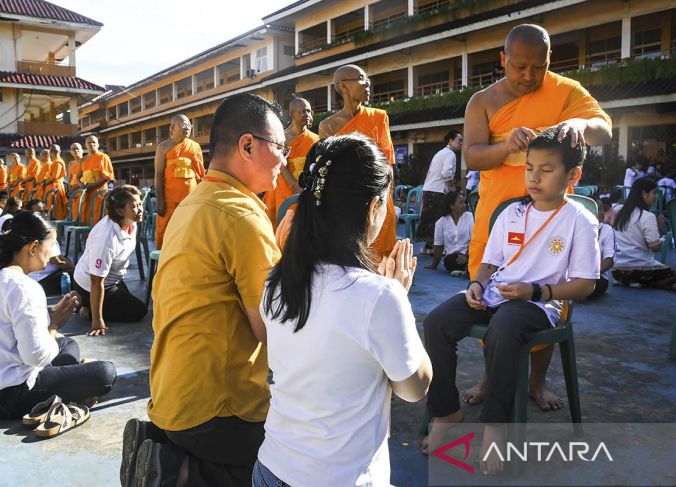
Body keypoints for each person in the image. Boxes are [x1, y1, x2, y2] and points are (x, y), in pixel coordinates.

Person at [121, 94, 283, 487]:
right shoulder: (242, 215)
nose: (285, 158)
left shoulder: (193, 204)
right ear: (247, 145)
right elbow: (272, 330)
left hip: (171, 397)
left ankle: (179, 462)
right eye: (280, 147)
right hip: (219, 413)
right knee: (314, 448)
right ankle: (191, 473)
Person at [256, 134, 431, 486]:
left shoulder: (276, 282)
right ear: (373, 208)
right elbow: (413, 387)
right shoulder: (378, 297)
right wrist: (400, 299)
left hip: (272, 468)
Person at [423, 127, 600, 475]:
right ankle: (446, 411)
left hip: (540, 303)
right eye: (529, 167)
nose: (534, 177)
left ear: (572, 175)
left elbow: (585, 284)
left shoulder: (580, 221)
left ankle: (495, 428)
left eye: (546, 170)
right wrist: (476, 283)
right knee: (437, 321)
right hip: (496, 293)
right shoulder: (512, 213)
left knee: (503, 328)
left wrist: (537, 292)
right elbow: (490, 263)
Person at [462, 23, 611, 410]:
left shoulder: (565, 92)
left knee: (543, 302)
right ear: (503, 60)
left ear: (549, 62)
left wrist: (578, 124)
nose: (529, 76)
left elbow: (604, 129)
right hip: (498, 218)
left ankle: (537, 381)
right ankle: (490, 377)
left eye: (538, 67)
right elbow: (473, 155)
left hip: (553, 221)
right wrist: (506, 147)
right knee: (488, 300)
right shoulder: (483, 100)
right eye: (519, 67)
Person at [0, 211, 117, 419]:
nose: (53, 253)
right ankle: (72, 388)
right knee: (105, 373)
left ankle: (71, 382)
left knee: (68, 345)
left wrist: (45, 321)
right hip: (3, 395)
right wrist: (53, 325)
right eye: (50, 245)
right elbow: (35, 356)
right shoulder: (25, 287)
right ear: (33, 247)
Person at [319, 64, 397, 257]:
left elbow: (387, 162)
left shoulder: (378, 117)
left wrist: (383, 199)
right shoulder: (327, 126)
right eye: (361, 79)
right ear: (343, 86)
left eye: (368, 79)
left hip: (378, 196)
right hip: (344, 197)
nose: (367, 84)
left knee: (380, 256)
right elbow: (326, 168)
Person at [72, 185, 146, 335]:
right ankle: (86, 310)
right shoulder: (106, 239)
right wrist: (97, 320)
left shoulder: (131, 222)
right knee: (139, 311)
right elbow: (96, 281)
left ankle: (83, 301)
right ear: (119, 211)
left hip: (113, 279)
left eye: (140, 204)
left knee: (124, 300)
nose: (140, 209)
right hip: (92, 283)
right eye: (134, 206)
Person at [612, 177, 676, 290]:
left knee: (658, 271)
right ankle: (662, 284)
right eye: (654, 193)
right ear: (644, 194)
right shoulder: (647, 216)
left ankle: (636, 282)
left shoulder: (617, 210)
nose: (656, 197)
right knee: (675, 274)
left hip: (617, 272)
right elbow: (655, 246)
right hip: (639, 271)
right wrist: (660, 228)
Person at [263, 97, 319, 228]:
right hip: (284, 186)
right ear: (292, 114)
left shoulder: (315, 138)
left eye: (309, 111)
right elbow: (280, 164)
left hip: (305, 189)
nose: (307, 115)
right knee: (283, 226)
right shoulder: (282, 137)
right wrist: (295, 187)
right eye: (302, 112)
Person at [154, 114, 205, 249]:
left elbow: (200, 174)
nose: (187, 128)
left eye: (189, 125)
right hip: (169, 199)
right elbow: (158, 174)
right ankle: (163, 261)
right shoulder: (163, 147)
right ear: (172, 128)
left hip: (190, 199)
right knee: (165, 231)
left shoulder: (194, 147)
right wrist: (160, 200)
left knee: (190, 232)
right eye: (183, 125)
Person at [416, 130, 463, 254]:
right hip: (437, 191)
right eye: (459, 140)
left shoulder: (440, 153)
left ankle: (428, 248)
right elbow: (446, 173)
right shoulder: (450, 154)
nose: (461, 143)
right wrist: (452, 189)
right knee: (439, 220)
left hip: (429, 189)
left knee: (430, 220)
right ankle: (436, 249)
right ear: (451, 141)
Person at [424, 191, 474, 275]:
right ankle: (466, 270)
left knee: (475, 260)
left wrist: (466, 256)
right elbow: (438, 246)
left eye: (464, 203)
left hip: (469, 255)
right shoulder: (441, 222)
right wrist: (434, 265)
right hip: (452, 258)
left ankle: (466, 268)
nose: (464, 205)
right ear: (451, 206)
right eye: (461, 203)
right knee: (449, 261)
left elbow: (474, 240)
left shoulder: (469, 216)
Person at [78, 135, 114, 225]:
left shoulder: (103, 157)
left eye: (94, 142)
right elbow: (78, 177)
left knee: (98, 218)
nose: (91, 144)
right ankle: (87, 238)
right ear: (85, 145)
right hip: (86, 193)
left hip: (99, 192)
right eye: (89, 142)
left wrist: (91, 186)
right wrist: (81, 184)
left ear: (98, 145)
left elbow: (106, 177)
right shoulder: (83, 160)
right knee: (86, 218)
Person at [587, 201, 615, 299]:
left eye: (603, 209)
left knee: (593, 285)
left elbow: (609, 260)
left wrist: (590, 277)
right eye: (598, 209)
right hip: (572, 276)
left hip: (597, 277)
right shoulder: (576, 227)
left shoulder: (607, 229)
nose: (603, 212)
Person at [44, 145, 69, 220]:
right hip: (52, 187)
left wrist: (45, 183)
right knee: (52, 208)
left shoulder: (58, 162)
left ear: (50, 152)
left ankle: (57, 224)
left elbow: (54, 177)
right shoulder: (55, 162)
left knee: (56, 208)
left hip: (55, 187)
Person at [68, 143, 85, 221]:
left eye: (78, 148)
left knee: (82, 211)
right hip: (73, 191)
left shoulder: (85, 161)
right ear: (71, 152)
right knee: (74, 212)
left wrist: (75, 188)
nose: (76, 150)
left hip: (81, 189)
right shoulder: (71, 163)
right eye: (73, 149)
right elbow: (69, 178)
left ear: (82, 150)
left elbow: (85, 178)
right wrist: (70, 190)